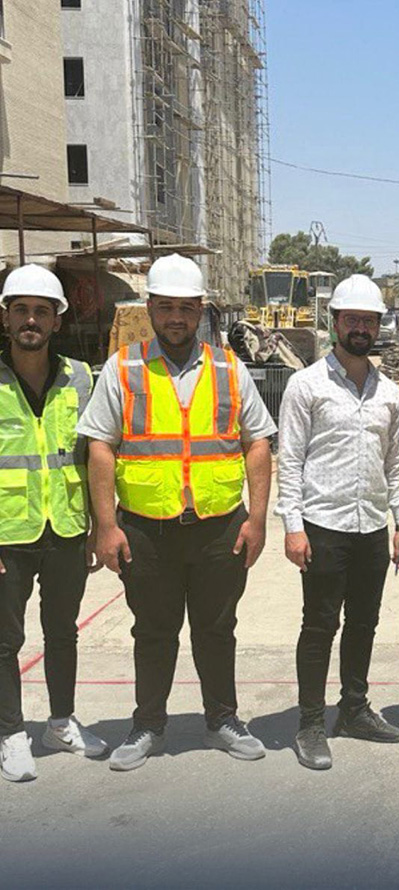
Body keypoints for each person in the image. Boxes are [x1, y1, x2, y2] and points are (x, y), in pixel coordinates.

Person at [78, 254, 276, 771]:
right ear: (150, 309)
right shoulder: (124, 367)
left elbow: (257, 443)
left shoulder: (229, 368)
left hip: (219, 527)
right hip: (146, 530)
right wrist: (106, 526)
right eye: (166, 307)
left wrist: (257, 520)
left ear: (201, 311)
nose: (175, 318)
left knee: (217, 629)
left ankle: (222, 720)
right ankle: (147, 725)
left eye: (186, 308)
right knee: (153, 631)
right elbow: (100, 446)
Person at [277, 275, 399, 771]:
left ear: (378, 326)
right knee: (319, 626)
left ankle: (354, 709)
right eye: (352, 319)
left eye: (369, 321)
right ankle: (311, 723)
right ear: (334, 323)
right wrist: (292, 527)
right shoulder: (306, 385)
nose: (361, 328)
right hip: (323, 526)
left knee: (363, 624)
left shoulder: (389, 393)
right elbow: (290, 460)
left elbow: (396, 463)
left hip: (371, 527)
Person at [0, 265, 106, 782]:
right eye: (20, 309)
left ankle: (60, 723)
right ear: (5, 318)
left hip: (65, 529)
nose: (31, 320)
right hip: (7, 534)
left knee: (62, 633)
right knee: (5, 641)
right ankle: (10, 733)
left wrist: (99, 525)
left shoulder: (81, 378)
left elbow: (95, 455)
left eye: (41, 311)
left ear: (57, 321)